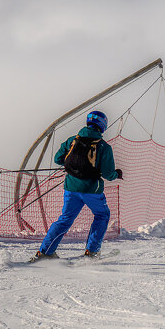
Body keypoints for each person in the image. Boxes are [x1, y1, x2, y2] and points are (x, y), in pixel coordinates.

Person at [35, 110, 123, 259]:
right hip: (91, 190)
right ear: (103, 125)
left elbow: (58, 159)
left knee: (65, 219)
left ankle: (45, 252)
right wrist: (117, 174)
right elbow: (108, 174)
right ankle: (92, 252)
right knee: (102, 215)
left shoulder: (72, 140)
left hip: (71, 188)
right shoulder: (103, 147)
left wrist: (75, 166)